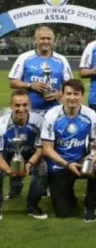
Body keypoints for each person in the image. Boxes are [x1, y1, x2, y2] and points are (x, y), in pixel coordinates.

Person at [8, 26, 72, 200]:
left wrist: (59, 94)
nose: (45, 41)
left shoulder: (61, 60)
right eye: (41, 38)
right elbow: (13, 82)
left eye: (48, 39)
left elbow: (69, 85)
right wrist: (30, 85)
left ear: (53, 41)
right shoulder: (25, 58)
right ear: (35, 40)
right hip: (28, 113)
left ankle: (47, 185)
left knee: (49, 150)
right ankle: (16, 185)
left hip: (53, 113)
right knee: (20, 147)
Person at [41, 79, 96, 222]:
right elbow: (47, 148)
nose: (72, 97)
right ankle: (69, 195)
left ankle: (91, 206)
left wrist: (94, 155)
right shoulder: (52, 115)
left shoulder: (91, 114)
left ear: (82, 96)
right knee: (63, 213)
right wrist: (67, 164)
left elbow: (95, 142)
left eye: (76, 94)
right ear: (62, 95)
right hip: (59, 164)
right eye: (68, 93)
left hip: (80, 160)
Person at [0, 89, 47, 220]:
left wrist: (29, 164)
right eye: (17, 105)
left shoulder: (40, 122)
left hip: (30, 155)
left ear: (30, 105)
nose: (21, 109)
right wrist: (8, 170)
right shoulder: (1, 124)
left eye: (24, 105)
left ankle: (32, 205)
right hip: (6, 156)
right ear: (11, 106)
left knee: (43, 167)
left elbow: (41, 148)